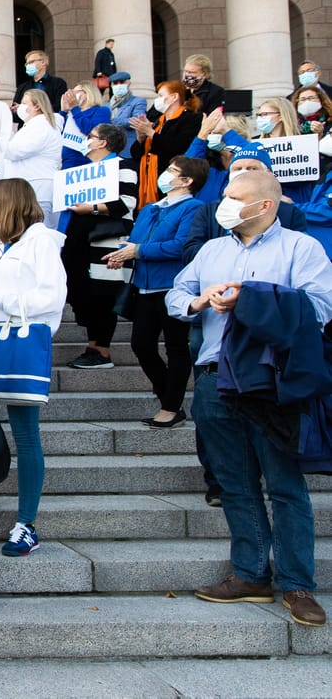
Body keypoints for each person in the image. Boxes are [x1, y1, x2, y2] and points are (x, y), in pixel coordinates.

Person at [167, 170, 332, 629]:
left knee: (284, 486)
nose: (224, 203)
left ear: (264, 205)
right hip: (215, 379)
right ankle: (250, 573)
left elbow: (321, 306)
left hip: (271, 383)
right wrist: (198, 302)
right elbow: (176, 294)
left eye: (235, 196)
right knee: (235, 484)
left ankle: (298, 583)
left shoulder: (302, 249)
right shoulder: (212, 249)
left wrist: (252, 299)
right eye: (225, 194)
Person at [0, 178, 66, 557]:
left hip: (21, 338)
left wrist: (2, 298)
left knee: (25, 433)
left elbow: (53, 295)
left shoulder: (41, 240)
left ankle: (26, 523)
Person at [104, 155, 208, 428]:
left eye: (172, 172)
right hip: (145, 287)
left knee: (176, 346)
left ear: (187, 181)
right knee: (141, 344)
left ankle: (171, 406)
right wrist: (123, 255)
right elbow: (137, 241)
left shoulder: (194, 208)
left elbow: (180, 246)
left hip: (173, 286)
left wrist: (138, 251)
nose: (166, 175)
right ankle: (168, 397)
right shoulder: (151, 208)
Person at [61, 124, 138, 369]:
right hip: (80, 236)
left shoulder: (124, 166)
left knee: (103, 291)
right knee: (82, 288)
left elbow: (126, 202)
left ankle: (100, 349)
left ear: (103, 142)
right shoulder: (85, 170)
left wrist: (92, 208)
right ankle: (93, 346)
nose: (86, 140)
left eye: (91, 136)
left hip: (107, 237)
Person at [130, 80, 202, 209]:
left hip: (172, 177)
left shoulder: (190, 119)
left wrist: (151, 133)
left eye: (161, 96)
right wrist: (141, 138)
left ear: (174, 97)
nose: (158, 100)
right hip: (148, 178)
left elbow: (176, 148)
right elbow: (137, 155)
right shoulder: (159, 121)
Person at [0, 89, 63, 223]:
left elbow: (14, 152)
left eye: (24, 103)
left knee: (40, 229)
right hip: (31, 186)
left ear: (37, 106)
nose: (20, 107)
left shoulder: (41, 126)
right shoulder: (33, 126)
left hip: (38, 186)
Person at [60, 80, 113, 169]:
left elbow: (91, 130)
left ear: (88, 93)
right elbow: (58, 130)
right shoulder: (72, 112)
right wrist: (63, 111)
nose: (73, 96)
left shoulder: (101, 111)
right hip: (66, 159)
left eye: (76, 92)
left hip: (85, 160)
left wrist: (74, 108)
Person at [106, 71, 147, 158]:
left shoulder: (138, 101)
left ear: (128, 83)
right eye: (115, 83)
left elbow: (137, 121)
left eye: (122, 82)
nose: (118, 85)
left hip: (128, 149)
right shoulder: (106, 106)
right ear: (111, 85)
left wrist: (112, 120)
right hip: (109, 151)